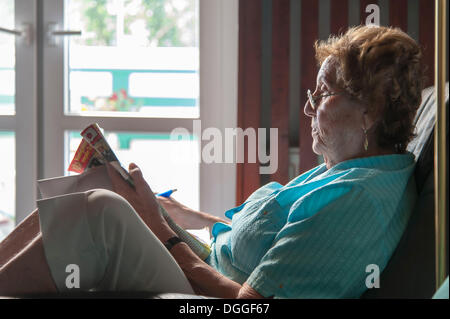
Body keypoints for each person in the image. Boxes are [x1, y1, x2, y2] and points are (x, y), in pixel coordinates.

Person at [0, 25, 425, 298]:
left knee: (100, 212)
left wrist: (161, 231)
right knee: (108, 186)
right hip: (205, 263)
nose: (310, 108)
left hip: (207, 296)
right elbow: (269, 238)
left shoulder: (356, 201)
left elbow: (250, 304)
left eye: (324, 93)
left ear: (370, 109)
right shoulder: (356, 167)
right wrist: (180, 216)